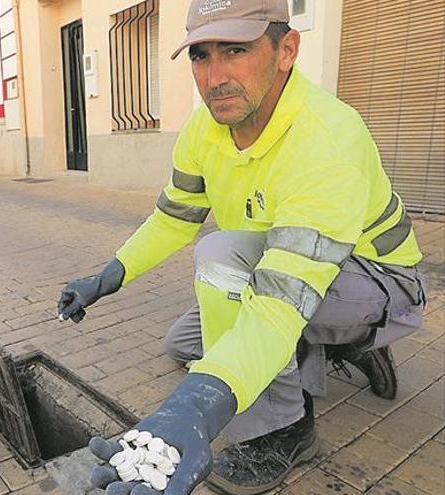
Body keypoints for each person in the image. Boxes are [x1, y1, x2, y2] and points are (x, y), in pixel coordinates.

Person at [56, 1, 426, 494]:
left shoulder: (327, 140)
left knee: (221, 264)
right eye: (201, 56)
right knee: (186, 345)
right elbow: (172, 219)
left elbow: (278, 302)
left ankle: (286, 429)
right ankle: (338, 347)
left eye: (236, 50)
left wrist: (193, 407)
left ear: (285, 50)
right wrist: (107, 276)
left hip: (380, 282)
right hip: (289, 275)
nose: (215, 76)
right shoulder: (203, 130)